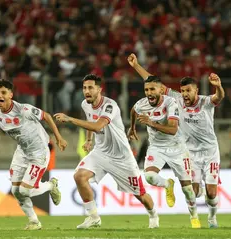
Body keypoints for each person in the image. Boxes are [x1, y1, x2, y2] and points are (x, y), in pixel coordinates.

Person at [127, 53, 223, 228]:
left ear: (196, 91)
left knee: (210, 192)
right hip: (188, 150)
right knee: (192, 191)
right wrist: (136, 66)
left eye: (188, 90)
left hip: (208, 150)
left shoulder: (205, 102)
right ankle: (193, 213)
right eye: (183, 90)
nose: (185, 94)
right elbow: (153, 84)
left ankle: (212, 218)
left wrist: (218, 87)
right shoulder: (175, 99)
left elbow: (219, 97)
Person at [54, 74, 159, 229]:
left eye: (90, 87)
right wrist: (89, 140)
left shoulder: (110, 106)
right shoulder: (85, 104)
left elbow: (98, 126)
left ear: (99, 89)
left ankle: (153, 215)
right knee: (79, 176)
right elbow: (91, 121)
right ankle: (93, 217)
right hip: (101, 152)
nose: (86, 91)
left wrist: (69, 119)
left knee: (141, 194)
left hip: (121, 157)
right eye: (84, 88)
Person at [0, 79, 67, 230]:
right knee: (16, 191)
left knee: (25, 190)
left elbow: (47, 116)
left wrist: (59, 138)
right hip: (22, 152)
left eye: (3, 92)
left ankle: (51, 185)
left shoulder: (24, 110)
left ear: (11, 95)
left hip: (39, 152)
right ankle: (34, 222)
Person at [127, 75, 201, 228]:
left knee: (188, 189)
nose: (149, 93)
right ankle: (168, 185)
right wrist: (132, 127)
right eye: (146, 89)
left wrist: (151, 123)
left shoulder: (170, 103)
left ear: (161, 90)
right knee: (149, 176)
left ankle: (194, 215)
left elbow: (173, 129)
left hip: (177, 147)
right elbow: (134, 110)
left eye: (152, 89)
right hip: (157, 147)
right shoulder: (142, 104)